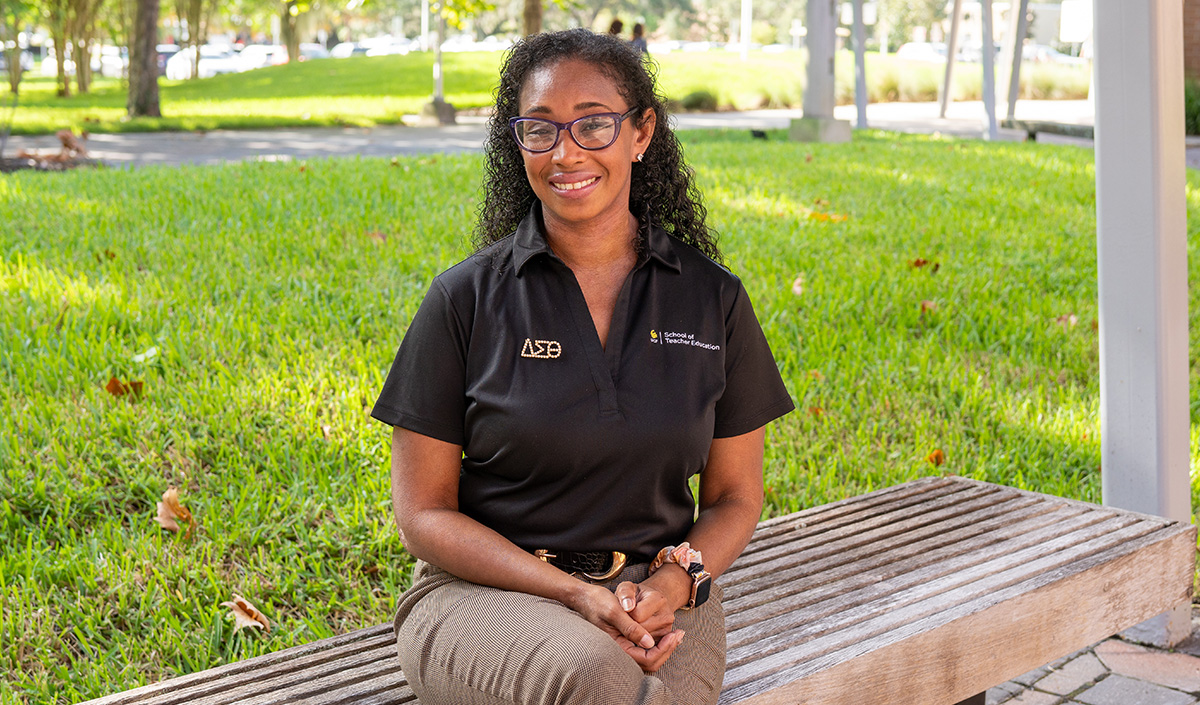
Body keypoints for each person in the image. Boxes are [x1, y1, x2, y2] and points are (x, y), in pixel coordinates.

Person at [371, 28, 794, 705]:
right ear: (518, 141)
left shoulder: (712, 298)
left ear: (641, 132)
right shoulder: (465, 299)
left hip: (661, 595)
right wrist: (575, 594)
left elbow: (733, 498)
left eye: (594, 125)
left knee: (638, 688)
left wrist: (672, 586)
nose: (566, 152)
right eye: (540, 129)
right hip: (486, 597)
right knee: (596, 675)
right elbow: (423, 512)